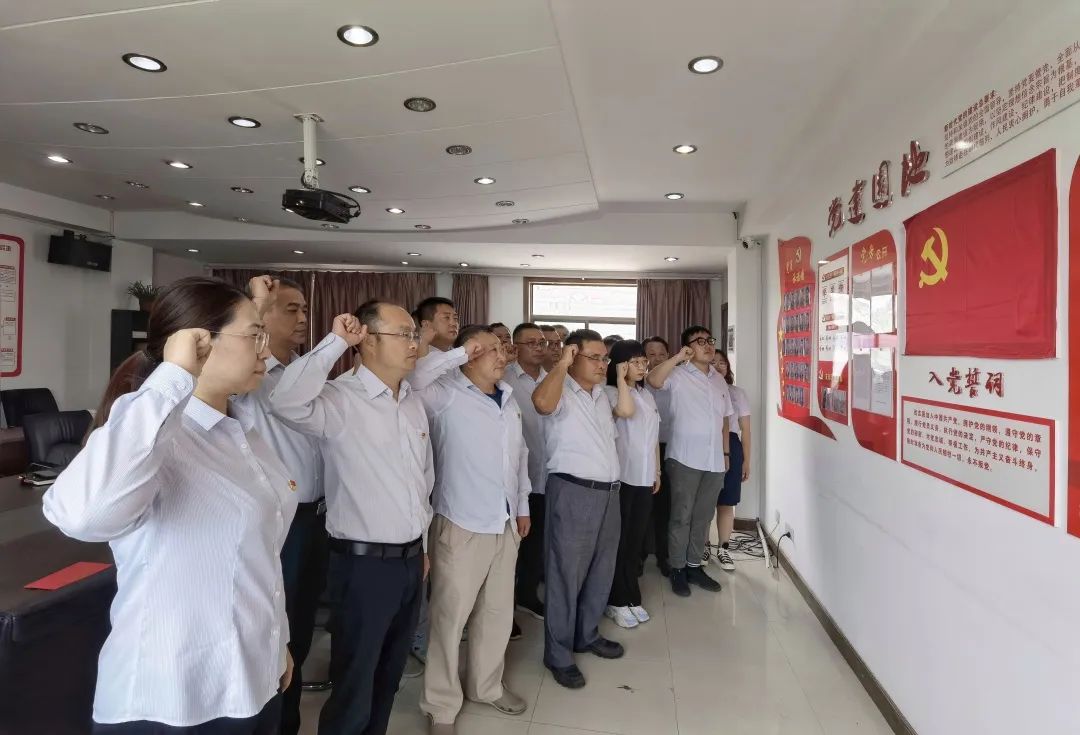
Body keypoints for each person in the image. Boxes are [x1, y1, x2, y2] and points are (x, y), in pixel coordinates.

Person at [43, 276, 295, 734]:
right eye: (254, 335)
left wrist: (276, 642)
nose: (266, 349)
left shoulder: (242, 432)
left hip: (252, 678)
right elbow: (80, 515)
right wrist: (173, 378)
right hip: (170, 697)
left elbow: (258, 561)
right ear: (199, 343)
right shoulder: (155, 434)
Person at [270, 301, 433, 735]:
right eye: (404, 334)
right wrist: (336, 342)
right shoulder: (340, 398)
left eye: (415, 334)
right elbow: (284, 401)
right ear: (369, 341)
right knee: (355, 685)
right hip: (362, 566)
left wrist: (422, 546)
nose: (414, 343)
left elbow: (423, 482)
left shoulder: (412, 402)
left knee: (388, 678)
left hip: (409, 561)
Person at [409, 325, 531, 734]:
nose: (502, 355)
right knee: (449, 619)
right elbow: (412, 378)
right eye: (491, 349)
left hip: (505, 522)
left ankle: (486, 686)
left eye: (502, 349)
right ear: (470, 354)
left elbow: (520, 456)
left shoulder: (508, 398)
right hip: (460, 523)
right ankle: (441, 704)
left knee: (497, 613)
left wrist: (523, 506)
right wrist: (459, 353)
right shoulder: (444, 394)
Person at [228, 277, 324, 735]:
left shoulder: (305, 370)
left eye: (304, 309)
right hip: (281, 521)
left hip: (316, 516)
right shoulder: (250, 376)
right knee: (272, 624)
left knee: (299, 625)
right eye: (290, 309)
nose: (302, 318)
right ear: (261, 316)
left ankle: (288, 717)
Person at [533, 330, 631, 690]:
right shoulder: (558, 388)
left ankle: (586, 634)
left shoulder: (602, 396)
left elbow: (623, 415)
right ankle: (558, 654)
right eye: (595, 358)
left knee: (600, 570)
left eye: (605, 358)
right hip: (574, 491)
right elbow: (541, 404)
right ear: (573, 356)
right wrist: (561, 364)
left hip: (609, 493)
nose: (603, 364)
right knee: (565, 575)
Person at [647, 326, 731, 598]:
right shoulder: (677, 374)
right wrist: (676, 358)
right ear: (688, 348)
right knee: (681, 516)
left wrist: (726, 454)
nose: (707, 345)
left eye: (709, 340)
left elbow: (725, 420)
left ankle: (694, 566)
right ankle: (677, 569)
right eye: (699, 341)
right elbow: (653, 380)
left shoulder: (718, 380)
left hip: (714, 460)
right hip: (684, 457)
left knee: (703, 517)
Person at [602, 340, 660, 630]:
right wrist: (620, 378)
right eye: (634, 362)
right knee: (620, 541)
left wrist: (657, 471)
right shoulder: (610, 393)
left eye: (643, 361)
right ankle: (616, 599)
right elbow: (624, 413)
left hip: (645, 476)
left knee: (635, 540)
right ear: (620, 364)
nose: (641, 367)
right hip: (623, 477)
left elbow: (653, 435)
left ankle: (630, 595)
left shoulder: (646, 394)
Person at [507, 323, 549, 623]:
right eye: (530, 342)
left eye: (541, 342)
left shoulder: (553, 380)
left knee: (537, 543)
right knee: (511, 549)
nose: (538, 347)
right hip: (515, 478)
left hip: (547, 476)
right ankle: (503, 607)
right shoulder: (504, 378)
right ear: (515, 346)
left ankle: (527, 595)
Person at [708, 351, 751, 573]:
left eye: (722, 362)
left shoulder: (737, 393)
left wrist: (746, 461)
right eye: (713, 362)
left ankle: (723, 548)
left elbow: (746, 430)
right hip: (707, 443)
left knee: (727, 501)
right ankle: (704, 546)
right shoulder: (701, 390)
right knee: (705, 501)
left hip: (732, 446)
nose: (718, 366)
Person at [642, 336, 673, 576]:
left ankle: (664, 556)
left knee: (666, 507)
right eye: (651, 354)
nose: (656, 359)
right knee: (644, 508)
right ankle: (639, 556)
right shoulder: (638, 383)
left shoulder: (676, 380)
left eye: (661, 354)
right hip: (644, 452)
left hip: (670, 450)